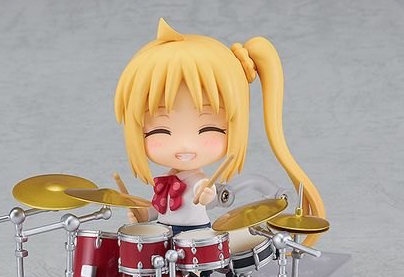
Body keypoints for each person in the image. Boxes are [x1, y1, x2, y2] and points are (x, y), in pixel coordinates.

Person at [114, 18, 325, 246]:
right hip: (163, 235)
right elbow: (160, 208)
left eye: (208, 129)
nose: (185, 144)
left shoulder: (198, 181)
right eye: (162, 131)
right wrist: (143, 214)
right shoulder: (165, 180)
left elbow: (207, 193)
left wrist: (208, 194)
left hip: (196, 238)